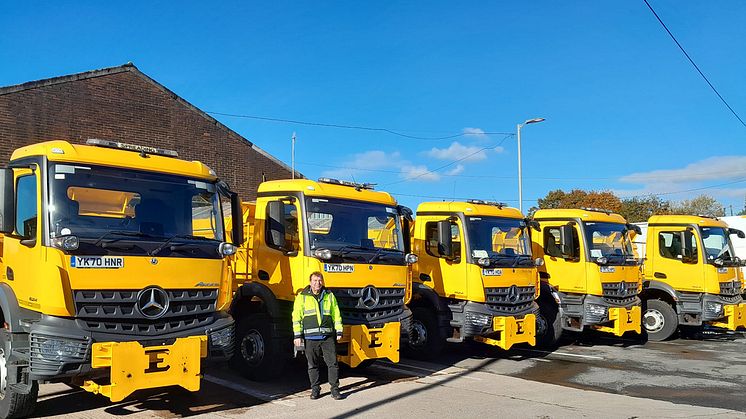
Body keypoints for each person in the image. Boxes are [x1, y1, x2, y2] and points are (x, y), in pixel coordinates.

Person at [292, 271, 344, 400]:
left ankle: (335, 390)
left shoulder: (329, 295)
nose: (318, 283)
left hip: (327, 336)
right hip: (310, 337)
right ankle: (315, 389)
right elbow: (296, 317)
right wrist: (297, 336)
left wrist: (339, 331)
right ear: (310, 282)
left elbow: (336, 314)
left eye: (320, 280)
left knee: (333, 364)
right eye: (315, 280)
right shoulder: (302, 296)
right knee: (312, 365)